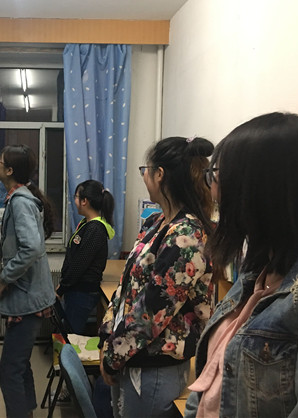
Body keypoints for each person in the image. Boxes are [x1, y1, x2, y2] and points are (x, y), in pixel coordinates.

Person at [185, 112, 298, 417]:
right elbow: (210, 377)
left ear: (261, 188)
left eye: (217, 175)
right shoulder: (258, 266)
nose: (213, 190)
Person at [98, 136, 215, 417]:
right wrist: (106, 338)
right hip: (129, 353)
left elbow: (153, 311)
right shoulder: (156, 223)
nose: (144, 177)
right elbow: (126, 287)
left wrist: (113, 355)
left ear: (159, 174)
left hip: (155, 366)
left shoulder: (187, 235)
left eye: (145, 171)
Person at [0, 144, 57, 418]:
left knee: (9, 370)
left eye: (0, 161)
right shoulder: (19, 198)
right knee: (20, 364)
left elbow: (31, 247)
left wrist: (5, 277)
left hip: (27, 298)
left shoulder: (20, 202)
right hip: (28, 295)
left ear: (10, 170)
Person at [56, 180, 116, 334]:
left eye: (76, 197)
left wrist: (62, 288)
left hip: (82, 291)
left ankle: (70, 351)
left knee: (71, 334)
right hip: (76, 289)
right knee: (68, 328)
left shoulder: (95, 229)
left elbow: (79, 264)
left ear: (85, 201)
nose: (74, 201)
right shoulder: (87, 224)